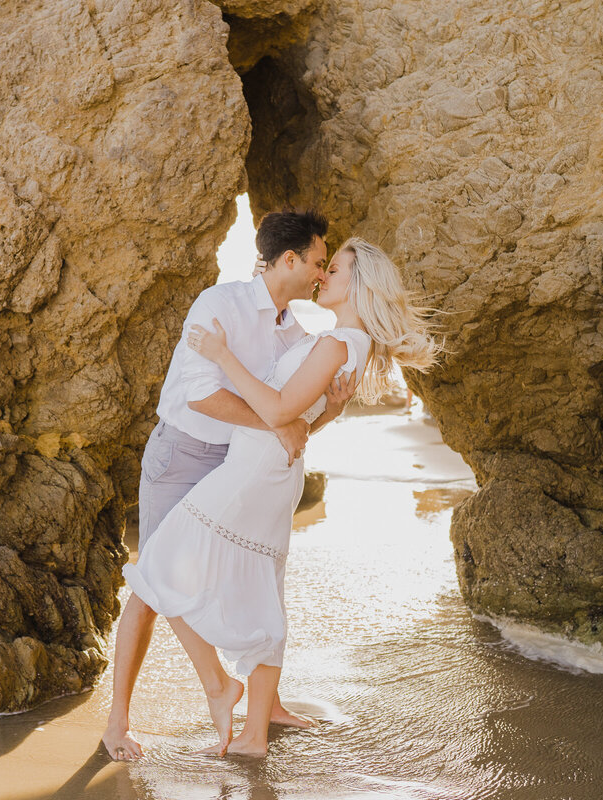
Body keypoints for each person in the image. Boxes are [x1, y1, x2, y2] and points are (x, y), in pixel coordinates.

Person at [123, 237, 441, 756]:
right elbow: (306, 415)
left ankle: (223, 689)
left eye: (333, 269)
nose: (324, 277)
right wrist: (330, 411)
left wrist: (222, 354)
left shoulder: (337, 344)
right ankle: (254, 733)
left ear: (356, 287)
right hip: (269, 470)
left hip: (253, 469)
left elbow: (278, 411)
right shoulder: (343, 344)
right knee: (261, 587)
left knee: (162, 563)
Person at [101, 209, 356, 761]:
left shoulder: (299, 332)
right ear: (289, 259)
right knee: (153, 581)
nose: (320, 273)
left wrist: (326, 411)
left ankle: (269, 704)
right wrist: (278, 421)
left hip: (241, 464)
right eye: (317, 262)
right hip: (185, 454)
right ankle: (121, 721)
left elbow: (293, 420)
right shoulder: (219, 306)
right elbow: (202, 397)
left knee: (260, 573)